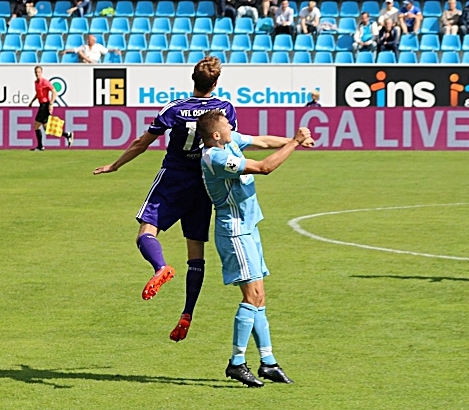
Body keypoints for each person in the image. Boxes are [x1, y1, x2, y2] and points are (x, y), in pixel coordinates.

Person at [94, 58, 237, 342]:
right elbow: (230, 143)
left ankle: (160, 267)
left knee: (146, 232)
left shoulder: (175, 108)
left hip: (174, 178)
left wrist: (116, 164)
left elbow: (142, 143)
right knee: (195, 252)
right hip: (204, 182)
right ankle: (187, 314)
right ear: (215, 83)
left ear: (192, 80)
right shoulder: (225, 109)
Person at [197, 111, 313, 387]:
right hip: (234, 232)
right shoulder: (216, 157)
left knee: (260, 298)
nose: (231, 126)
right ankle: (236, 363)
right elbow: (264, 167)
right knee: (252, 297)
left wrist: (293, 140)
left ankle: (268, 362)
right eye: (226, 124)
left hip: (250, 227)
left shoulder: (229, 142)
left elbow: (261, 141)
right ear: (216, 134)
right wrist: (294, 143)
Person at [27, 66, 73, 151]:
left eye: (39, 72)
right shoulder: (36, 82)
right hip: (41, 104)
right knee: (46, 128)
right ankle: (67, 135)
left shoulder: (45, 82)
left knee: (36, 125)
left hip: (45, 105)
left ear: (42, 72)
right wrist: (32, 101)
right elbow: (38, 94)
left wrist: (51, 103)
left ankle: (40, 146)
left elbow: (54, 91)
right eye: (36, 72)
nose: (37, 74)